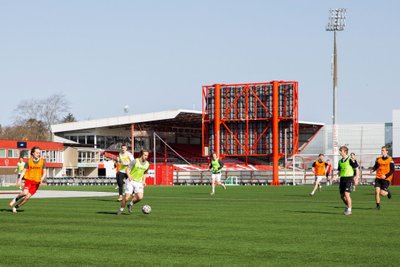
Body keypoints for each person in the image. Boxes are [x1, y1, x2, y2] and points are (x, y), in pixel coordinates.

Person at [9, 146, 47, 213]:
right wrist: (19, 180)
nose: (39, 154)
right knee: (25, 193)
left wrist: (42, 178)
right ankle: (15, 199)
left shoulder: (42, 162)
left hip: (36, 183)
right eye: (37, 153)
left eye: (39, 153)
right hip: (29, 180)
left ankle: (15, 207)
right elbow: (23, 171)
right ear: (33, 153)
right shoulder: (28, 162)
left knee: (27, 198)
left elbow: (44, 172)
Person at [117, 149, 149, 215]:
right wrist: (129, 176)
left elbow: (145, 173)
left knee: (140, 197)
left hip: (139, 182)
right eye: (145, 155)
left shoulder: (147, 164)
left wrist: (144, 181)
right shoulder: (135, 161)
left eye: (147, 155)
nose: (146, 156)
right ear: (141, 154)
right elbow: (127, 169)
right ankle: (121, 209)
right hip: (130, 181)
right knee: (126, 198)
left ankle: (130, 204)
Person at [336, 146, 359, 216]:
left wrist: (356, 178)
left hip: (349, 178)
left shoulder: (350, 159)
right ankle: (348, 206)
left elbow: (357, 169)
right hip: (342, 179)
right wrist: (335, 176)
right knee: (342, 196)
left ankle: (349, 210)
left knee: (346, 194)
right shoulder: (340, 161)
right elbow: (339, 171)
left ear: (345, 152)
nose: (340, 152)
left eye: (341, 151)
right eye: (339, 150)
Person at [370, 145, 394, 210]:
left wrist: (386, 175)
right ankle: (377, 206)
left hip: (386, 178)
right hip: (378, 177)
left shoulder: (390, 159)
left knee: (382, 193)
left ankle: (388, 192)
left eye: (383, 150)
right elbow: (376, 166)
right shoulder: (378, 159)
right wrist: (373, 170)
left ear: (387, 151)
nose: (382, 151)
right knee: (377, 191)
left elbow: (392, 170)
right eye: (381, 150)